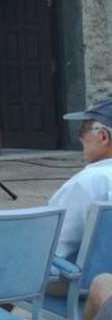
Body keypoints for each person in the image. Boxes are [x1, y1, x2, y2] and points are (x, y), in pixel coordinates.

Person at [48, 100, 112, 273]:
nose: (80, 137)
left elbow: (55, 247)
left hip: (85, 283)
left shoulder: (88, 182)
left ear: (103, 136)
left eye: (83, 130)